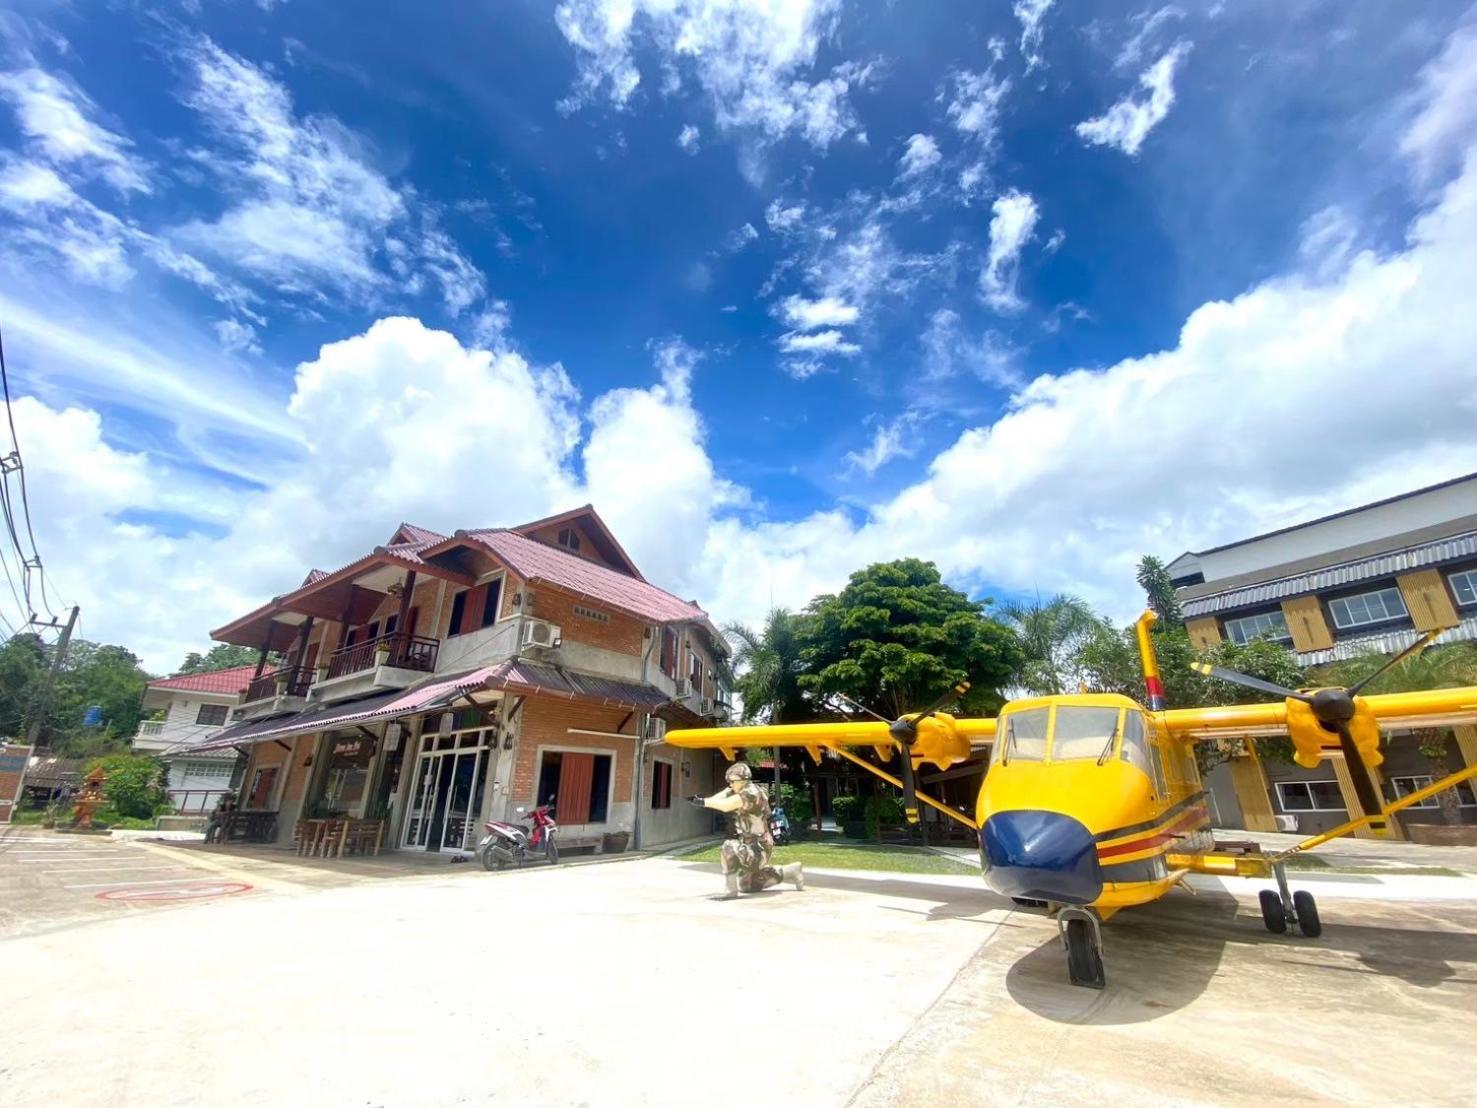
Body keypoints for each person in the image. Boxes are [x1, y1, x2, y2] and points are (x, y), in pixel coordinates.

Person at [689, 762, 803, 899]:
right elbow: (719, 797)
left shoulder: (751, 793)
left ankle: (730, 891)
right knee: (747, 885)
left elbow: (726, 805)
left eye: (731, 781)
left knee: (728, 847)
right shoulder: (741, 788)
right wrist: (704, 799)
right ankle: (790, 871)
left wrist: (703, 802)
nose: (729, 784)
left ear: (742, 780)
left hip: (759, 848)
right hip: (751, 846)